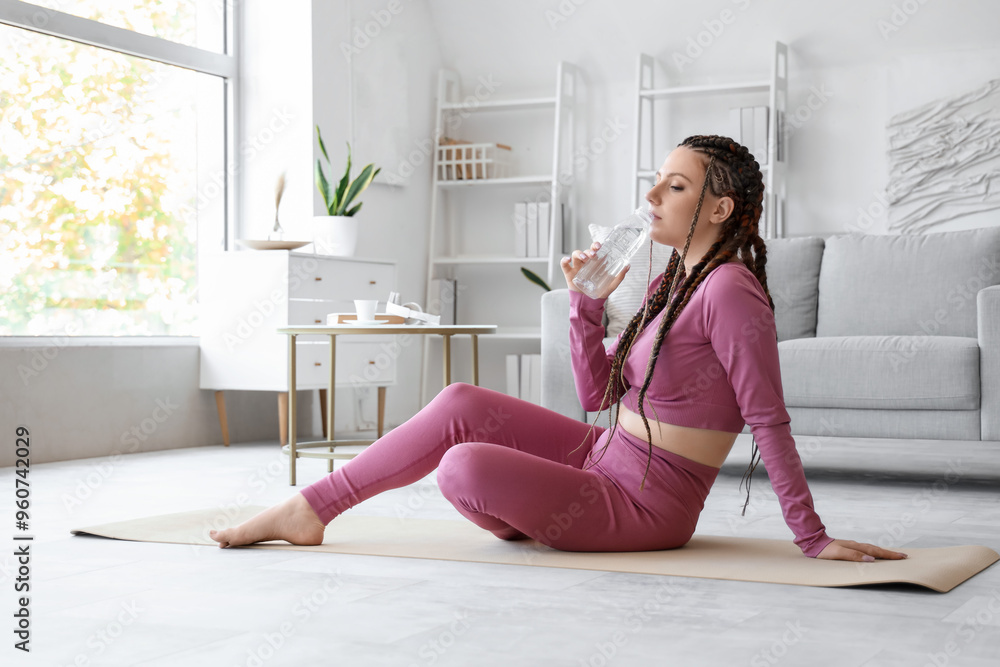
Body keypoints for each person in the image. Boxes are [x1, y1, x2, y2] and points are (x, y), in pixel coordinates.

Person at [210, 134, 907, 563]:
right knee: (459, 402)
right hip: (603, 455)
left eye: (677, 184)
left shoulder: (729, 291)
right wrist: (587, 305)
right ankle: (312, 508)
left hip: (646, 502)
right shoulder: (673, 279)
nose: (653, 193)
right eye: (657, 178)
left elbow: (768, 418)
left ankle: (529, 510)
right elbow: (597, 397)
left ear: (720, 209)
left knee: (462, 465)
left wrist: (812, 535)